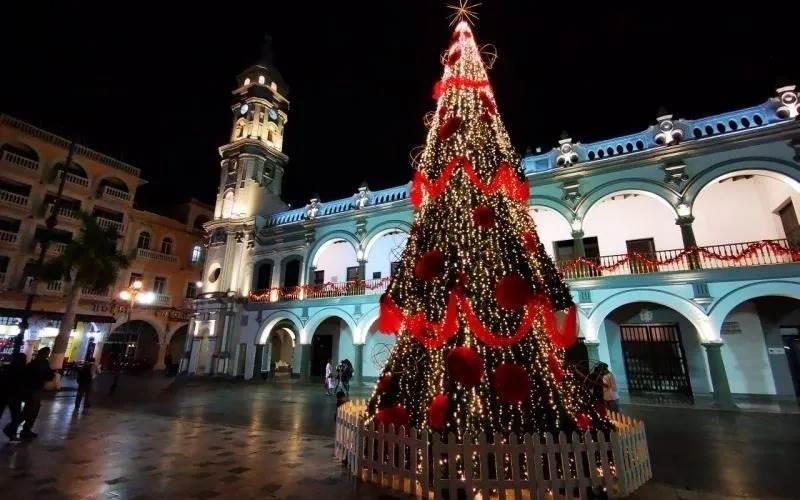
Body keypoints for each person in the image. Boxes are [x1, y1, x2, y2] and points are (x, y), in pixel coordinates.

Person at [20, 347, 55, 440]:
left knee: (32, 410)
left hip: (37, 389)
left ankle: (26, 429)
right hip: (33, 389)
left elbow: (47, 374)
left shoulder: (42, 363)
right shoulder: (36, 363)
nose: (47, 355)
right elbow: (39, 375)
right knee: (30, 410)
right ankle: (17, 428)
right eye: (46, 353)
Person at [1, 353, 28, 441]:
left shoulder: (7, 368)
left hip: (5, 394)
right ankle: (11, 433)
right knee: (16, 416)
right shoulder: (23, 370)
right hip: (14, 395)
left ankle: (11, 433)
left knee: (15, 416)